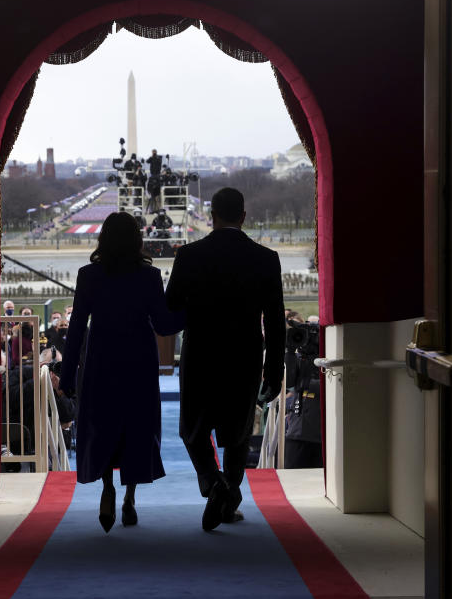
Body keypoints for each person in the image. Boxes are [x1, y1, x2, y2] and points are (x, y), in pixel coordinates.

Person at [166, 186, 285, 531]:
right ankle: (228, 495)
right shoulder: (265, 258)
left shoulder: (189, 255)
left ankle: (212, 483)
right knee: (238, 433)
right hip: (244, 355)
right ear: (243, 217)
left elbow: (172, 303)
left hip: (201, 353)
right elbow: (275, 322)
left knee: (192, 428)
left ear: (211, 217)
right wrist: (273, 371)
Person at [59, 212, 183, 533]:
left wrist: (68, 376)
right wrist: (192, 308)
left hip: (101, 360)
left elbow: (75, 330)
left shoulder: (89, 275)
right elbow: (165, 325)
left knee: (103, 426)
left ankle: (107, 489)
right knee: (136, 428)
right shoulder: (148, 276)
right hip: (138, 362)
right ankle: (130, 497)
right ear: (137, 240)